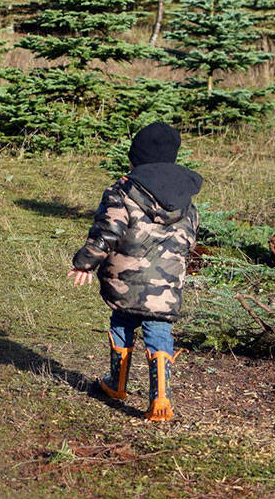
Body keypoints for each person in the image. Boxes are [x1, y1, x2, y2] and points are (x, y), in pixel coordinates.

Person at [67, 122, 202, 421]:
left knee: (122, 319)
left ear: (136, 156)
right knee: (159, 328)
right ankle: (161, 400)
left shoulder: (124, 189)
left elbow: (107, 232)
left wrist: (85, 262)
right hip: (165, 282)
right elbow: (190, 236)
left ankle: (117, 384)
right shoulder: (185, 197)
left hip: (126, 279)